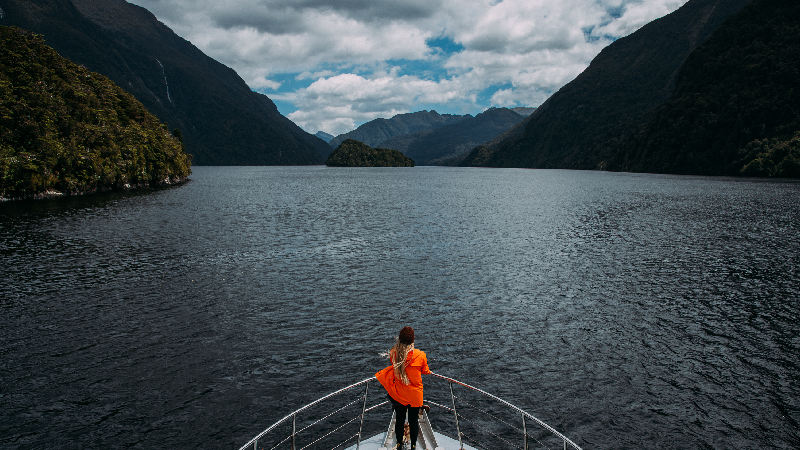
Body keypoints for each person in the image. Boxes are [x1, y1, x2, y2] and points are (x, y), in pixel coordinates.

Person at [375, 326, 431, 450]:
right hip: (415, 397)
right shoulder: (421, 355)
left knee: (399, 419)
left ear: (399, 339)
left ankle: (399, 444)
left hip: (399, 394)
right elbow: (425, 371)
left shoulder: (393, 353)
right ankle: (413, 446)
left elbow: (397, 365)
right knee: (413, 421)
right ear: (413, 340)